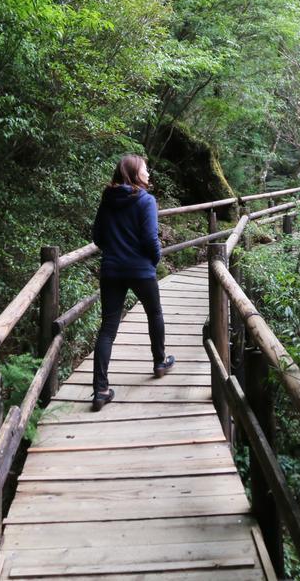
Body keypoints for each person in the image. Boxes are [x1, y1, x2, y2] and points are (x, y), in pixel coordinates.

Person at [90, 154, 174, 411]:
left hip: (112, 269)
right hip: (141, 270)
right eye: (145, 170)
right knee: (155, 314)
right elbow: (150, 238)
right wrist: (154, 258)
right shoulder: (146, 201)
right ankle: (159, 362)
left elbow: (97, 236)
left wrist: (115, 251)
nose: (149, 174)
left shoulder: (107, 200)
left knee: (108, 329)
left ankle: (100, 390)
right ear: (134, 174)